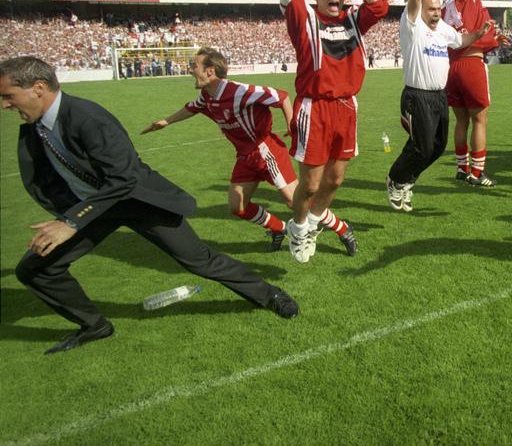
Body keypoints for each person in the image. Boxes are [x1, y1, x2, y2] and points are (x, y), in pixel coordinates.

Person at [0, 56, 298, 355]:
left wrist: (70, 222)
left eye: (8, 96)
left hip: (138, 200)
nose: (5, 105)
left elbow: (124, 179)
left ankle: (269, 294)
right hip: (93, 208)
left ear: (38, 88)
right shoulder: (35, 126)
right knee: (35, 268)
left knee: (199, 260)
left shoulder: (87, 117)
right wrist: (67, 214)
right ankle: (94, 325)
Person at [279, 0, 388, 263]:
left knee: (336, 178)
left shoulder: (352, 20)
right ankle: (298, 229)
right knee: (310, 185)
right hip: (314, 108)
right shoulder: (305, 20)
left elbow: (379, 6)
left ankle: (313, 220)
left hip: (346, 107)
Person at [141, 47, 301, 252]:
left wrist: (290, 123)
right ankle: (279, 228)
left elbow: (281, 96)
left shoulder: (237, 91)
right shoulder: (207, 96)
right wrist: (165, 121)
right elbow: (191, 108)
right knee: (238, 206)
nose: (190, 70)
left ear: (210, 71)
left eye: (194, 66)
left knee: (293, 200)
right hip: (245, 157)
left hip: (264, 149)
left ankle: (339, 227)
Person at [385, 0, 492, 212]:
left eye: (437, 9)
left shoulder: (443, 28)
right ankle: (396, 179)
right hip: (417, 96)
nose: (434, 12)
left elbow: (461, 41)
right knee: (420, 147)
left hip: (438, 97)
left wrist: (478, 33)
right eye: (430, 9)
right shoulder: (412, 25)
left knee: (437, 147)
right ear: (421, 9)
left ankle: (406, 180)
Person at [441, 0, 509, 187]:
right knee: (480, 119)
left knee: (461, 119)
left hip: (451, 66)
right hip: (471, 63)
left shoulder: (442, 7)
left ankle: (461, 168)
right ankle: (478, 173)